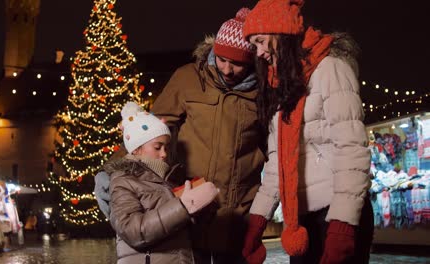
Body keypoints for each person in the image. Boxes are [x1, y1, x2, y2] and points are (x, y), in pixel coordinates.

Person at [96, 7, 267, 264]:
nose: (228, 70)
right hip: (189, 211)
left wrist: (261, 212)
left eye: (237, 64)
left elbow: (273, 152)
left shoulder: (263, 93)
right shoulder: (188, 78)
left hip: (236, 216)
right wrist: (112, 170)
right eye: (222, 60)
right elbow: (149, 130)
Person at [241, 0, 374, 263]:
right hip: (301, 221)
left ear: (279, 32)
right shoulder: (282, 86)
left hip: (336, 216)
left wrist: (342, 226)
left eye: (259, 41)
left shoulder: (331, 70)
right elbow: (278, 165)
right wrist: (256, 221)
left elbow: (351, 152)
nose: (258, 52)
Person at [104, 101, 219, 264]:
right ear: (136, 148)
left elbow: (180, 233)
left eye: (166, 147)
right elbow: (132, 231)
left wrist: (202, 209)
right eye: (158, 147)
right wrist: (182, 206)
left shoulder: (168, 179)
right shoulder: (123, 181)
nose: (164, 154)